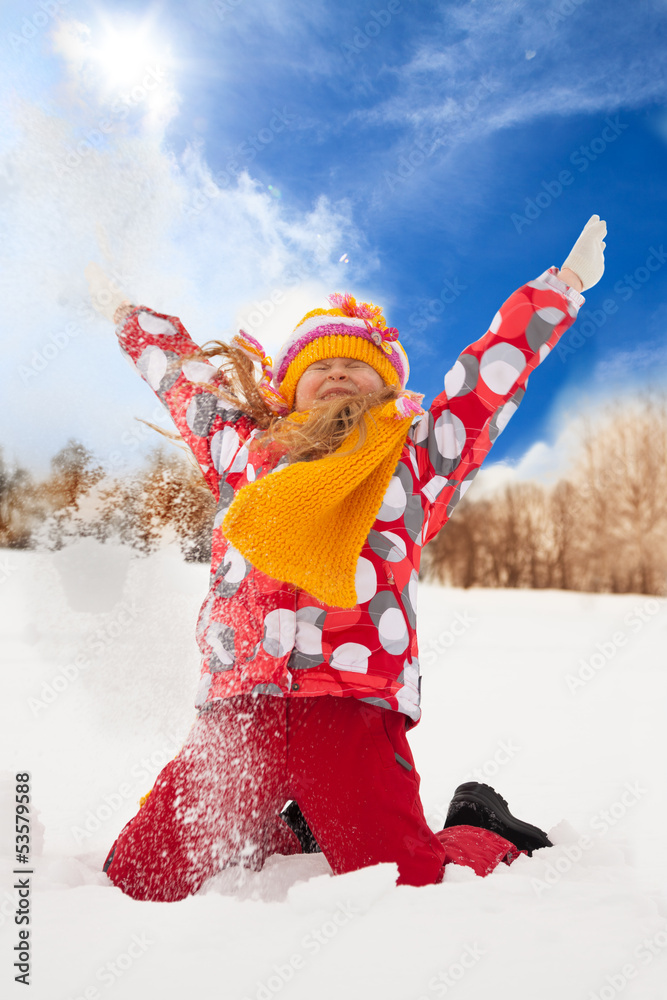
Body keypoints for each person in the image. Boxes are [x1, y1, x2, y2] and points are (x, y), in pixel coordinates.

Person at [88, 215, 607, 900]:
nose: (335, 373)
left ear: (385, 388)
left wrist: (560, 287)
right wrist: (126, 315)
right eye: (317, 367)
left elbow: (487, 380)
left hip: (351, 710)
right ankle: (301, 829)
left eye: (354, 366)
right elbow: (187, 381)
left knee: (407, 881)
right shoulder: (246, 454)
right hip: (237, 712)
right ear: (287, 391)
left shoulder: (417, 459)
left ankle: (485, 829)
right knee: (139, 879)